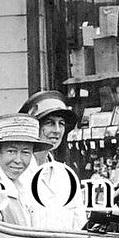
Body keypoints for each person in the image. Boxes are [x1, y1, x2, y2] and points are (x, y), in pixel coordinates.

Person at [19, 90, 84, 230]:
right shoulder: (17, 173)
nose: (57, 130)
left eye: (61, 124)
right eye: (49, 123)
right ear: (33, 128)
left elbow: (79, 225)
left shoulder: (66, 176)